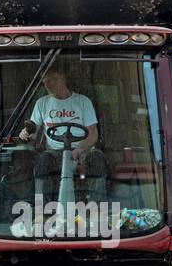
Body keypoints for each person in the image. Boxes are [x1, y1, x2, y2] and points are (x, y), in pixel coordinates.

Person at [18, 64, 107, 205]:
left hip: (82, 152)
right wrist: (26, 133)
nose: (47, 84)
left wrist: (80, 149)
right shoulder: (42, 103)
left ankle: (97, 208)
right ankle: (43, 210)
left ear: (63, 79)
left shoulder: (83, 102)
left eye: (52, 79)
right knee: (42, 161)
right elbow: (33, 131)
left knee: (97, 158)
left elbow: (93, 134)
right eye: (45, 81)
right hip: (55, 153)